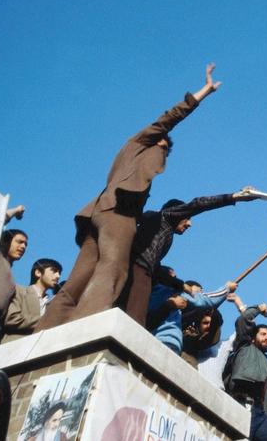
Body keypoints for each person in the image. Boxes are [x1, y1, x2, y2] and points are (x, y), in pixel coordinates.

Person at [37, 64, 222, 331]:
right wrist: (203, 92)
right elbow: (168, 118)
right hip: (119, 213)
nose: (164, 154)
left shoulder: (134, 160)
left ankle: (44, 330)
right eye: (164, 148)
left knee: (79, 279)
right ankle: (84, 328)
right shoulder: (141, 143)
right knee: (114, 271)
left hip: (98, 212)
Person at [122, 186, 267, 326]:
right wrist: (235, 197)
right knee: (132, 320)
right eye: (187, 217)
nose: (190, 224)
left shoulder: (161, 231)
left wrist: (183, 286)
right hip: (137, 272)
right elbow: (198, 204)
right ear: (177, 213)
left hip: (141, 273)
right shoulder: (164, 217)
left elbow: (156, 269)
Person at [223, 293, 267, 441]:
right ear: (253, 336)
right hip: (241, 401)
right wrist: (259, 308)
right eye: (263, 334)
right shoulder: (245, 345)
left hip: (259, 411)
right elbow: (244, 319)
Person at [147, 276, 235, 355]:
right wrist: (226, 288)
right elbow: (206, 300)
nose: (201, 293)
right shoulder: (173, 293)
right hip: (165, 341)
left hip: (164, 344)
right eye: (198, 290)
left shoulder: (149, 295)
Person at [2, 258, 62, 342]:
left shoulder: (53, 303)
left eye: (59, 273)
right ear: (38, 272)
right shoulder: (19, 291)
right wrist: (46, 321)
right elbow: (12, 319)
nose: (58, 276)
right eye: (54, 271)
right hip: (14, 347)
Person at [0, 205, 27, 346]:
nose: (23, 247)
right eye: (19, 242)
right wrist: (14, 211)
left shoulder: (10, 273)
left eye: (26, 244)